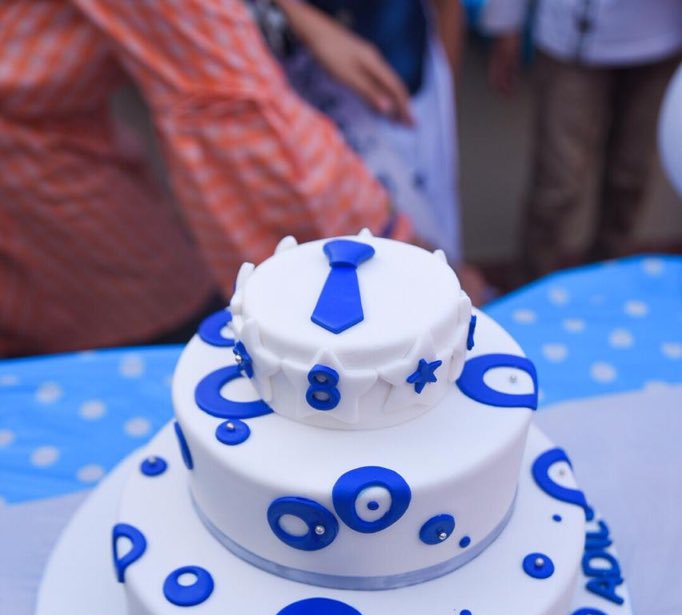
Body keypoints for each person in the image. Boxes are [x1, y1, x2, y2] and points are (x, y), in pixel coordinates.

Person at [0, 0, 416, 357]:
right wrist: (394, 253)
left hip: (60, 189)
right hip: (49, 215)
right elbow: (234, 111)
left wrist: (295, 14)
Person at [266, 0, 488, 302]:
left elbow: (448, 8)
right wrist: (300, 17)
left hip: (406, 98)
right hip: (302, 104)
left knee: (432, 278)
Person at [482, 0, 682, 280]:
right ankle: (530, 287)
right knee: (557, 187)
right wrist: (505, 22)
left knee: (630, 179)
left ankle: (608, 286)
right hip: (572, 38)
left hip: (660, 41)